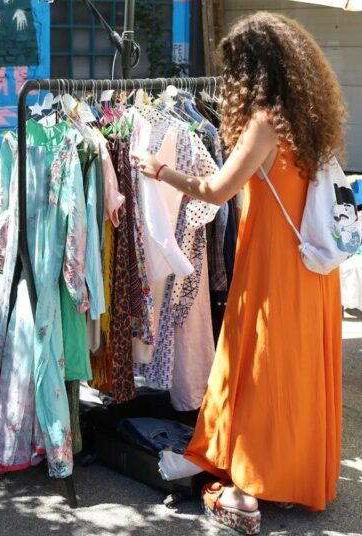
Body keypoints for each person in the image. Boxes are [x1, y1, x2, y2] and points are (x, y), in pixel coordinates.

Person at [132, 12, 346, 535]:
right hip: (312, 267)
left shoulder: (264, 123)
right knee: (297, 368)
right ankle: (295, 473)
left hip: (275, 265)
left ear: (253, 70)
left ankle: (251, 483)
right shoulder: (308, 119)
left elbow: (216, 190)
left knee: (262, 367)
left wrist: (162, 171)